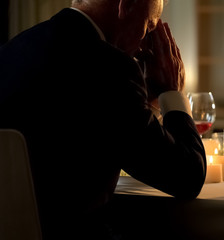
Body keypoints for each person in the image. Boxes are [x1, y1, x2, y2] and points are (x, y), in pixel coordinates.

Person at [0, 0, 206, 239]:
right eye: (149, 27)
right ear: (125, 6)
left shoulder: (13, 50)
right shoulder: (111, 67)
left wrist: (145, 104)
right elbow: (187, 176)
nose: (144, 47)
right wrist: (171, 91)